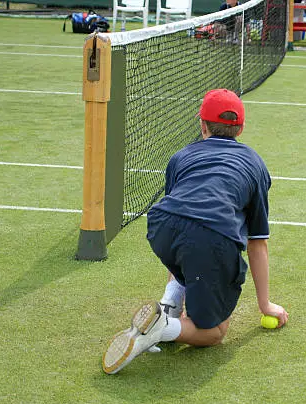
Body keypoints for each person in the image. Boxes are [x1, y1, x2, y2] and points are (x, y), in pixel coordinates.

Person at [102, 89, 289, 375]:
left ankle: (168, 307)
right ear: (241, 128)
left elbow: (181, 215)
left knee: (184, 248)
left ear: (202, 125)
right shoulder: (255, 164)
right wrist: (265, 305)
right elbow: (257, 243)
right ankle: (163, 328)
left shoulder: (180, 157)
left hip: (160, 227)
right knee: (214, 332)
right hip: (210, 238)